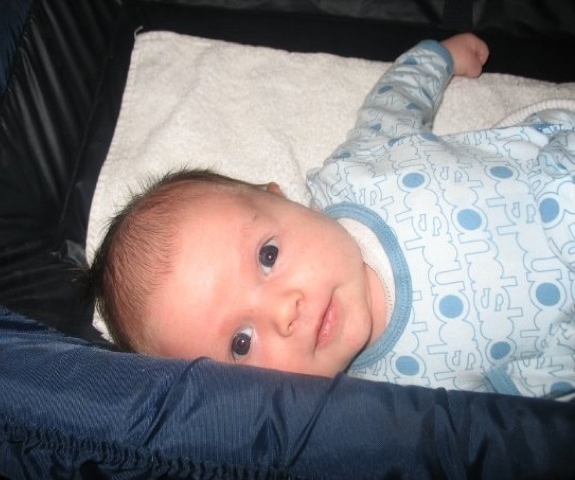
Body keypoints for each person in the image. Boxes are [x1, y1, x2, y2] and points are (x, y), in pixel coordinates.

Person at [89, 33, 575, 401]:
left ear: (281, 197)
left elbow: (395, 102)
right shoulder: (397, 399)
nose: (284, 312)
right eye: (241, 342)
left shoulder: (355, 173)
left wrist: (439, 57)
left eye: (268, 256)